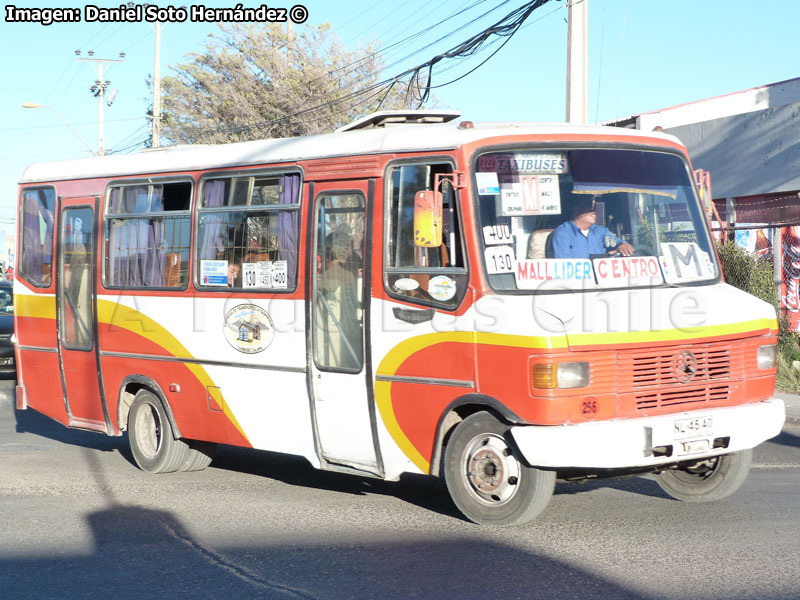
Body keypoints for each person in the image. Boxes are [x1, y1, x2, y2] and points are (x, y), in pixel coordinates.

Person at [551, 196, 634, 259]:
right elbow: (563, 264)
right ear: (575, 209)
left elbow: (616, 242)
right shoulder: (563, 233)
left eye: (594, 206)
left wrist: (623, 245)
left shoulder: (601, 231)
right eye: (588, 206)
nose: (593, 210)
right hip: (577, 280)